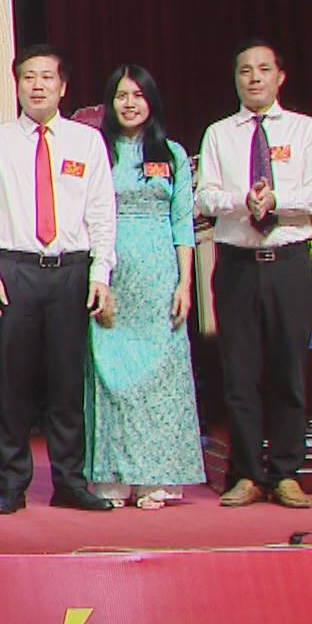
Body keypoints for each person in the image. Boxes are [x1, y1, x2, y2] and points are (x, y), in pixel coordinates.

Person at [0, 45, 116, 514]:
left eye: (47, 77)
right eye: (28, 77)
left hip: (70, 271)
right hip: (14, 270)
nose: (37, 85)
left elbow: (102, 211)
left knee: (66, 384)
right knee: (11, 384)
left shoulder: (86, 142)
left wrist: (100, 271)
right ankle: (10, 485)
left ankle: (70, 482)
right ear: (16, 85)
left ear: (63, 86)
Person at [196, 40, 312, 509]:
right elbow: (204, 196)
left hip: (289, 262)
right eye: (245, 71)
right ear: (236, 78)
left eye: (263, 69)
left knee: (288, 372)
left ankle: (287, 473)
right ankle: (247, 474)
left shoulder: (304, 129)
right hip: (237, 264)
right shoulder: (219, 134)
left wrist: (278, 200)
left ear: (280, 76)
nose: (254, 78)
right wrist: (243, 201)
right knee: (240, 375)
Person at [85, 64, 206, 509]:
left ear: (151, 101)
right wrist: (98, 276)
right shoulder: (97, 151)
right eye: (122, 96)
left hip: (160, 278)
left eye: (138, 95)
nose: (130, 103)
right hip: (112, 273)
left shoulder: (172, 154)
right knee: (112, 373)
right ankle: (114, 475)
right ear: (110, 103)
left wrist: (185, 283)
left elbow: (182, 224)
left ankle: (155, 475)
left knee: (159, 377)